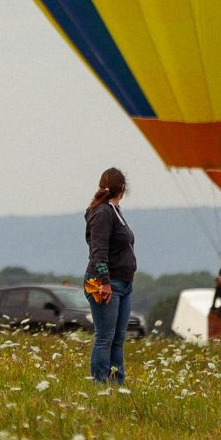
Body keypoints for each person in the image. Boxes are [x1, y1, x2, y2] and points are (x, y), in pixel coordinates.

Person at [83, 167, 136, 389]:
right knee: (105, 337)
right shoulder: (104, 213)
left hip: (123, 284)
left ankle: (116, 384)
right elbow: (99, 251)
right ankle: (100, 385)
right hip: (106, 283)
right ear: (122, 188)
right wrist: (104, 281)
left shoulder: (115, 211)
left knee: (117, 338)